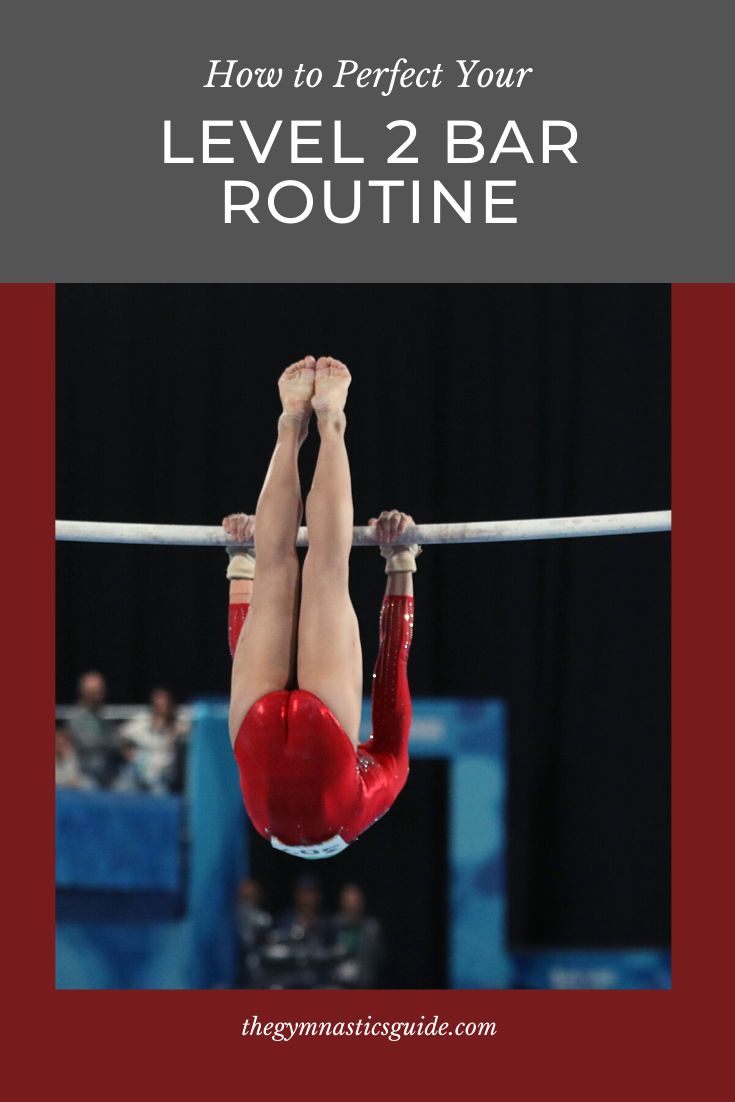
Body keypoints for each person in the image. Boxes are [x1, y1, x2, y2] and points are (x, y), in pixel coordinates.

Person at [222, 356, 419, 860]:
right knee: (275, 568)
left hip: (328, 756)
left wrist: (400, 563)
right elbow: (241, 656)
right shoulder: (269, 826)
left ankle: (329, 422)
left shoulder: (370, 800)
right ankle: (290, 427)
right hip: (256, 739)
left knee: (328, 567)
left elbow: (390, 683)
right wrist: (239, 570)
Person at [118, 687, 188, 793]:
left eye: (165, 706)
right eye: (158, 706)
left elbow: (191, 734)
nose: (161, 710)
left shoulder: (178, 724)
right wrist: (127, 750)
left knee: (158, 790)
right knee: (122, 783)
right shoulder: (141, 721)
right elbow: (119, 735)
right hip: (139, 772)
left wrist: (172, 731)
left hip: (163, 776)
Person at [66, 670, 120, 787]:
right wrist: (113, 740)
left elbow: (117, 742)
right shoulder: (76, 717)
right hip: (85, 773)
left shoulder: (104, 717)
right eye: (95, 692)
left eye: (101, 691)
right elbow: (87, 742)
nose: (100, 695)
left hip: (109, 772)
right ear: (84, 692)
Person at [331, 883, 383, 988]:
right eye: (348, 903)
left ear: (362, 903)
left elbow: (379, 960)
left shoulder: (372, 928)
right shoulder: (332, 926)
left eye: (355, 903)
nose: (352, 907)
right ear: (342, 903)